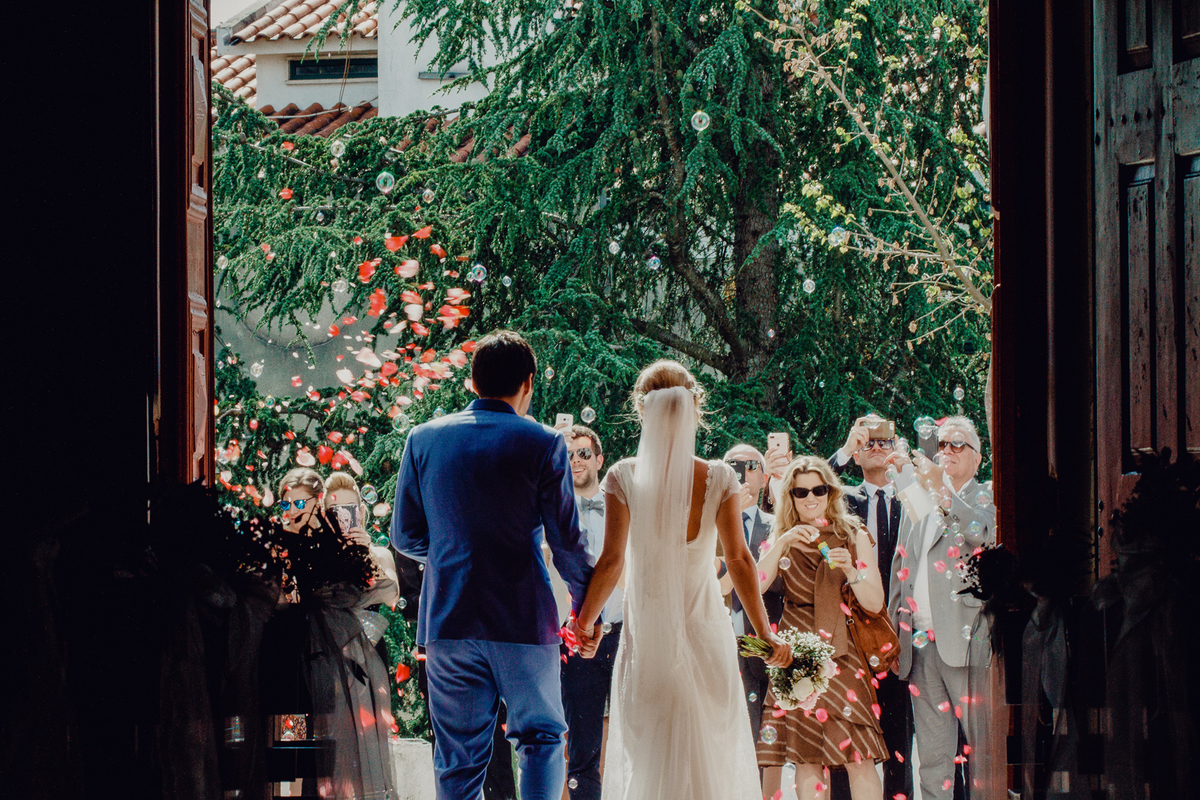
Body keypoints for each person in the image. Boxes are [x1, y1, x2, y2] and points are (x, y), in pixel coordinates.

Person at [571, 360, 791, 800]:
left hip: (649, 638)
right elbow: (739, 560)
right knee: (709, 759)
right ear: (695, 408)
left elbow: (611, 561)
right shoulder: (719, 476)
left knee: (652, 757)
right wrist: (765, 633)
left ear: (642, 410)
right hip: (706, 633)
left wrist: (585, 624)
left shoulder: (622, 475)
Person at [391, 330, 595, 800]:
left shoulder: (423, 438)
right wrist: (587, 608)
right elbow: (566, 541)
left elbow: (404, 536)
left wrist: (454, 552)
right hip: (522, 617)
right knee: (540, 738)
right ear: (528, 383)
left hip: (448, 619)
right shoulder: (543, 442)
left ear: (472, 380)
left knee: (457, 758)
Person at [755, 456, 887, 800]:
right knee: (807, 756)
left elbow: (875, 603)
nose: (810, 497)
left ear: (831, 492)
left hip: (843, 654)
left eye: (819, 489)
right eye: (800, 492)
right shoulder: (782, 537)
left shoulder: (853, 534)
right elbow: (754, 586)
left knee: (859, 755)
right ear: (791, 497)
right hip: (796, 655)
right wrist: (781, 543)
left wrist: (853, 572)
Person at [885, 416, 996, 800]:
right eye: (942, 444)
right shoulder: (918, 498)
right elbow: (902, 567)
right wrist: (894, 633)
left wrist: (944, 493)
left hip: (967, 645)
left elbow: (983, 535)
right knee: (932, 761)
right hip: (919, 645)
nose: (946, 450)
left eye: (957, 444)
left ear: (977, 458)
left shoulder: (986, 495)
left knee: (982, 757)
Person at [276, 468, 398, 800]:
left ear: (360, 512)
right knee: (312, 752)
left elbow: (391, 592)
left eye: (349, 510)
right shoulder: (310, 554)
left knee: (361, 747)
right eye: (334, 511)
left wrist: (364, 551)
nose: (342, 519)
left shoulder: (376, 554)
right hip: (317, 661)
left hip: (363, 661)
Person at [828, 416, 914, 800]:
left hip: (901, 633)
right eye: (868, 442)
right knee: (847, 746)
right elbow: (809, 489)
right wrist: (845, 449)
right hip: (851, 637)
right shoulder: (844, 499)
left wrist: (908, 472)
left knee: (899, 745)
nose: (877, 447)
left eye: (885, 441)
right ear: (858, 456)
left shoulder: (910, 496)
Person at [558, 424, 620, 800]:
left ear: (599, 459)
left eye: (583, 453)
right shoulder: (551, 512)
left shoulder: (622, 508)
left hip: (624, 633)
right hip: (574, 637)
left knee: (633, 738)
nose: (575, 461)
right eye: (567, 455)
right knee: (582, 748)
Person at [717, 444, 784, 742]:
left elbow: (780, 582)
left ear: (765, 478)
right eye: (733, 465)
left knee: (763, 741)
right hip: (718, 641)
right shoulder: (706, 525)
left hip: (765, 644)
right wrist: (727, 517)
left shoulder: (778, 527)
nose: (742, 471)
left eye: (752, 465)